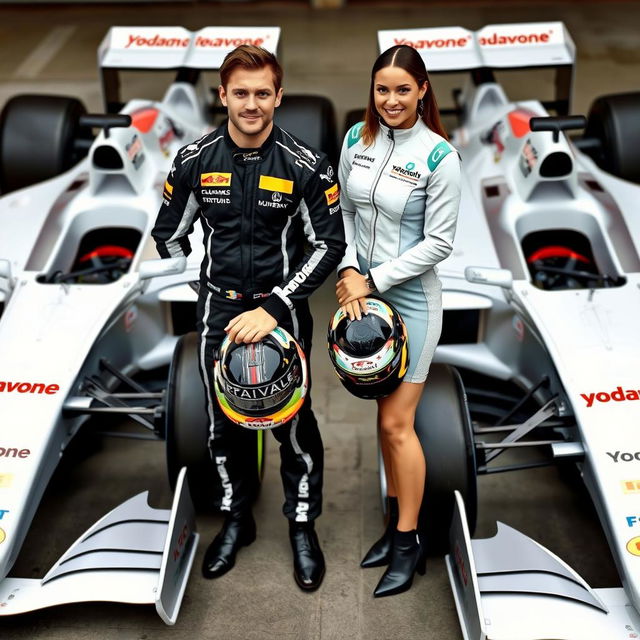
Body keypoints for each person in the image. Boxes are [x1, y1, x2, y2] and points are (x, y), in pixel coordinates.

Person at [152, 45, 346, 592]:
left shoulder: (307, 166)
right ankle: (238, 519)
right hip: (219, 309)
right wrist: (205, 284)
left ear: (279, 96)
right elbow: (168, 236)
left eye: (263, 93)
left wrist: (276, 306)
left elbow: (329, 244)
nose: (252, 104)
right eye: (242, 92)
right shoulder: (193, 161)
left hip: (280, 311)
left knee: (293, 426)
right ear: (223, 96)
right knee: (221, 425)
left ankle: (302, 526)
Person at [335, 44, 461, 598]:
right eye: (382, 89)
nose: (390, 100)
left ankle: (409, 541)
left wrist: (374, 279)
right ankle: (395, 524)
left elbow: (440, 242)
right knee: (382, 419)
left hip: (412, 304)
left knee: (395, 425)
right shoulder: (353, 141)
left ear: (422, 91)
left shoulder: (439, 157)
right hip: (362, 298)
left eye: (402, 90)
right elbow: (342, 211)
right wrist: (346, 270)